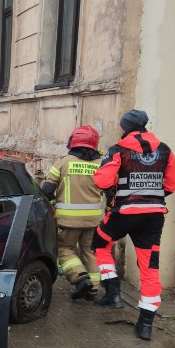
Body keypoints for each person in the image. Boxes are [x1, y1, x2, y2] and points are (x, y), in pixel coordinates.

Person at [91, 110, 175, 341]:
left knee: (100, 242)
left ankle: (112, 292)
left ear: (125, 126)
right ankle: (146, 325)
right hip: (154, 216)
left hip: (124, 213)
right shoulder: (165, 149)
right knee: (150, 268)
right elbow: (170, 185)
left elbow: (103, 181)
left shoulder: (118, 149)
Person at [41, 125, 105, 302]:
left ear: (73, 141)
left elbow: (46, 190)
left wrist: (53, 204)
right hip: (93, 220)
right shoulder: (101, 164)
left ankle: (80, 277)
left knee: (64, 249)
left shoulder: (63, 162)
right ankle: (93, 290)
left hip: (68, 220)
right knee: (89, 251)